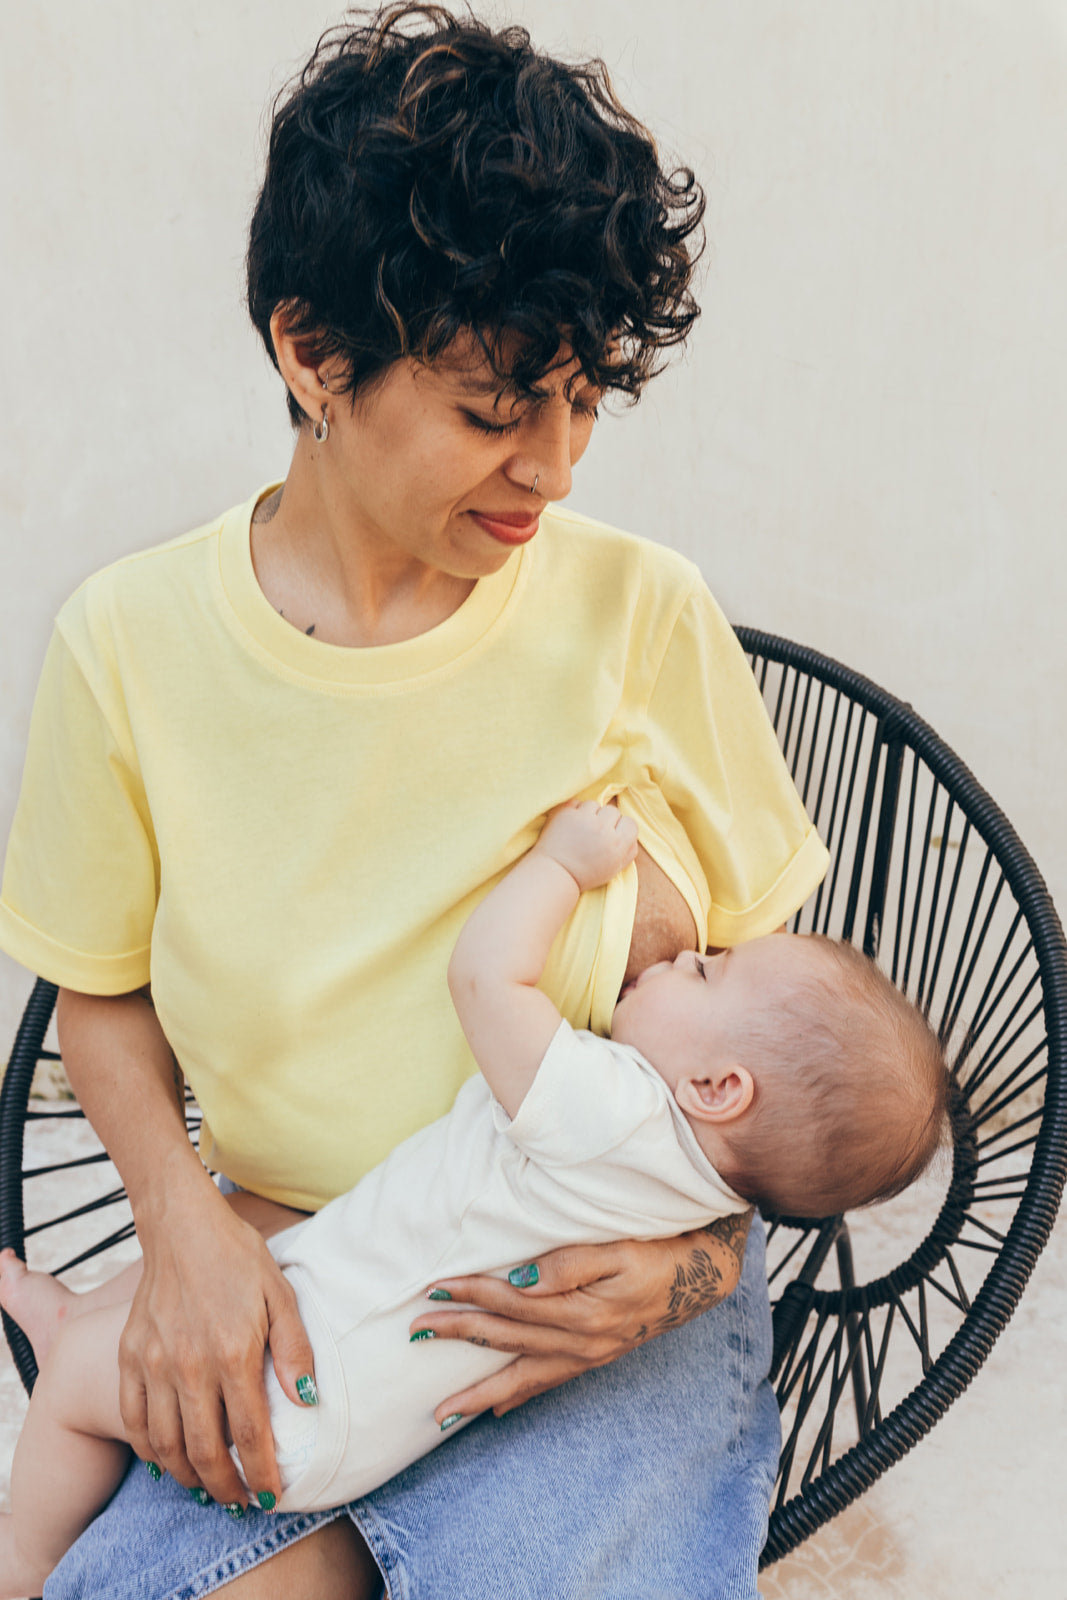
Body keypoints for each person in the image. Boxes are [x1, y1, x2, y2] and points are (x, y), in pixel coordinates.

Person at [0, 7, 835, 1598]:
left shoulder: (636, 614)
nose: (558, 467)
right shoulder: (132, 646)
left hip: (584, 1293)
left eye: (586, 400)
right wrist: (179, 1230)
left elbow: (768, 1061)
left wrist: (673, 1271)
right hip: (307, 1269)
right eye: (494, 411)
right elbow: (94, 995)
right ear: (311, 353)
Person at [0, 802, 946, 1596]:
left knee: (85, 1381)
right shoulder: (689, 1190)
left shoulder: (607, 1111)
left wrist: (560, 867)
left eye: (703, 971)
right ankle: (83, 1318)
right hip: (362, 1379)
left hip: (299, 1397)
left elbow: (485, 976)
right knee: (203, 1264)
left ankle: (25, 1556)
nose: (671, 961)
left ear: (717, 1087)